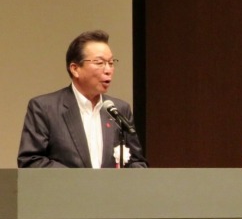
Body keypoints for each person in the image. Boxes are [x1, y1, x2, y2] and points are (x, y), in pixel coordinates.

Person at [17, 30, 147, 168]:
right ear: (75, 69)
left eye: (111, 62)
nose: (108, 70)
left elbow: (137, 162)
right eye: (99, 62)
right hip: (65, 183)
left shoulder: (119, 109)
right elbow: (31, 161)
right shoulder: (45, 108)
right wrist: (80, 179)